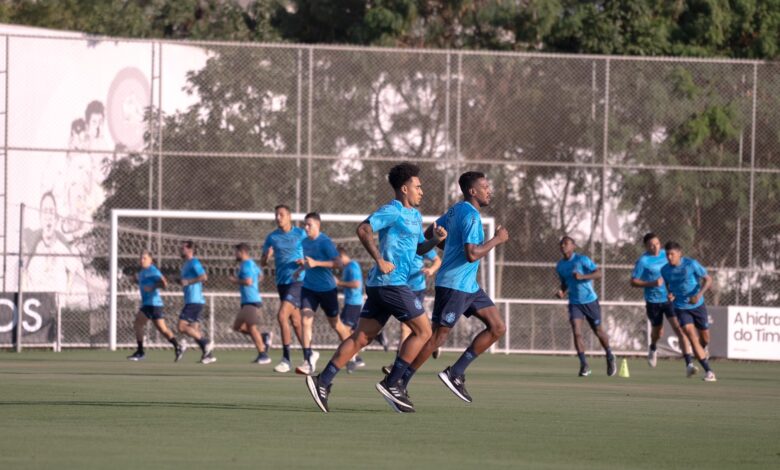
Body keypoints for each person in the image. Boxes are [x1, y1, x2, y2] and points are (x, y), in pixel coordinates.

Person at [304, 162, 446, 413]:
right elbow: (363, 229)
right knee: (424, 332)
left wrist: (435, 240)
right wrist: (379, 259)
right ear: (404, 189)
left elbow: (418, 250)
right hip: (391, 283)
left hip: (384, 286)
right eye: (418, 186)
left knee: (361, 337)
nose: (421, 191)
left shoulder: (414, 215)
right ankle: (393, 383)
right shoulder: (392, 210)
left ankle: (322, 381)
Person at [402, 172, 508, 405]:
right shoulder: (470, 217)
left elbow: (431, 232)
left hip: (469, 286)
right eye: (485, 187)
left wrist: (448, 248)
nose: (489, 190)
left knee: (498, 327)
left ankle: (456, 373)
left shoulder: (456, 210)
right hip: (454, 285)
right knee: (437, 336)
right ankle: (401, 380)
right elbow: (472, 254)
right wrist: (497, 239)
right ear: (473, 191)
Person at [630, 233, 694, 372]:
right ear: (646, 246)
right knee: (658, 333)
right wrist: (652, 283)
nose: (656, 247)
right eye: (652, 245)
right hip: (653, 302)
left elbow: (679, 266)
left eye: (658, 243)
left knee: (679, 329)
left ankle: (689, 364)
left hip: (670, 299)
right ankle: (653, 347)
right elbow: (633, 281)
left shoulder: (667, 255)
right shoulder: (643, 261)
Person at [292, 212, 347, 375]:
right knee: (305, 321)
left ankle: (354, 353)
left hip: (327, 290)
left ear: (318, 226)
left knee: (335, 324)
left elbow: (339, 264)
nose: (306, 228)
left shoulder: (325, 242)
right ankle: (308, 360)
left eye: (309, 225)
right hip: (309, 289)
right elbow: (310, 263)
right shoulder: (304, 242)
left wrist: (317, 263)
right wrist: (301, 269)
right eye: (304, 225)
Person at [555, 236, 616, 377]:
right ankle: (584, 365)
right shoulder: (560, 266)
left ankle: (609, 355)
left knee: (598, 331)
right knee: (577, 332)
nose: (563, 246)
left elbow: (599, 273)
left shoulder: (581, 260)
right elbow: (564, 283)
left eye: (566, 243)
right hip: (574, 303)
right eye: (561, 244)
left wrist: (582, 277)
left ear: (573, 246)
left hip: (590, 301)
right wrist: (562, 292)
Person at [261, 205, 307, 373]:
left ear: (289, 216)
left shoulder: (301, 234)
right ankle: (309, 355)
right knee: (295, 322)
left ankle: (286, 359)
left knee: (281, 315)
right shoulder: (272, 237)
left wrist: (305, 261)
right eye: (276, 215)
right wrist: (267, 256)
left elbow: (312, 254)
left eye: (281, 214)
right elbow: (263, 263)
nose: (278, 217)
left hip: (298, 281)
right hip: (282, 283)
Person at [660, 242, 716, 382]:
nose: (669, 257)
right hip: (680, 307)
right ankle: (709, 371)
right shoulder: (665, 270)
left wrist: (699, 294)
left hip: (698, 305)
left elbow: (708, 279)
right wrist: (670, 294)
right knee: (691, 336)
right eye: (667, 254)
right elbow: (668, 285)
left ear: (680, 253)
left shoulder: (691, 264)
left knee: (705, 337)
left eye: (672, 254)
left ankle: (704, 349)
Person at [382, 248, 440, 374]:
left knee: (407, 328)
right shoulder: (397, 244)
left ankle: (397, 364)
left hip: (416, 289)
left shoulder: (421, 243)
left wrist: (431, 269)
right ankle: (432, 342)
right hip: (399, 287)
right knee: (409, 327)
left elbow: (437, 260)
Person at [127, 250, 184, 362]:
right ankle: (178, 347)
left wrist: (152, 287)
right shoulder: (143, 272)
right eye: (141, 258)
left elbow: (164, 283)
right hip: (153, 305)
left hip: (152, 304)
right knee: (163, 330)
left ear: (150, 260)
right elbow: (142, 282)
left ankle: (140, 352)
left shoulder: (152, 270)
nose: (141, 260)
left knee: (138, 323)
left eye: (144, 258)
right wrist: (134, 280)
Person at [229, 243, 271, 364]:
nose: (235, 255)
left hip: (251, 301)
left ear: (242, 252)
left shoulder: (246, 265)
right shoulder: (252, 264)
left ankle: (263, 355)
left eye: (236, 252)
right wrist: (254, 285)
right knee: (237, 327)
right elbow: (261, 276)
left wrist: (235, 280)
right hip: (248, 300)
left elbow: (248, 281)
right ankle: (263, 337)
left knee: (252, 328)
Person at [177, 241, 216, 364]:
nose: (180, 249)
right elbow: (186, 281)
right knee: (194, 331)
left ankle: (206, 343)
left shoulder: (194, 262)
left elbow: (204, 277)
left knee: (181, 326)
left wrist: (188, 282)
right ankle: (208, 355)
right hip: (193, 300)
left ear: (190, 250)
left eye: (183, 247)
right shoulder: (186, 265)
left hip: (194, 301)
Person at [334, 246, 365, 371]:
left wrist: (339, 283)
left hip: (354, 303)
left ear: (341, 256)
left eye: (336, 259)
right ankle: (355, 358)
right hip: (351, 303)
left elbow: (356, 284)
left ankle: (352, 358)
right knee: (350, 332)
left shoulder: (352, 266)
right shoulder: (347, 267)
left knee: (343, 329)